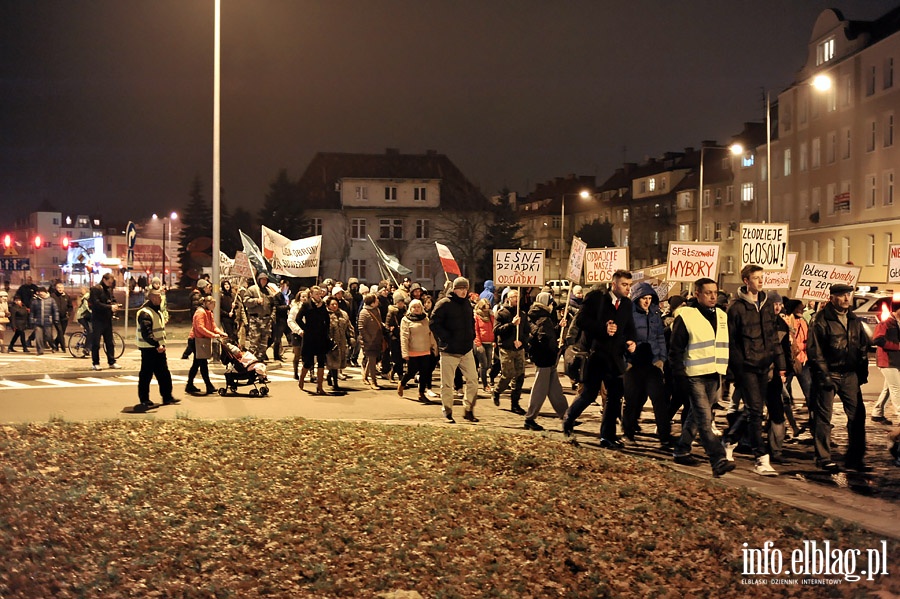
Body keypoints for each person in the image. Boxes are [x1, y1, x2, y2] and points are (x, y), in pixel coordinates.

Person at [562, 270, 637, 447]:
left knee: (614, 396)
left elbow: (629, 327)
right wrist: (603, 328)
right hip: (595, 356)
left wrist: (631, 341)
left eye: (629, 285)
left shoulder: (626, 304)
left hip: (615, 358)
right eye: (624, 285)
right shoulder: (597, 298)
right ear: (614, 285)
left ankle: (607, 436)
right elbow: (581, 321)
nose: (628, 289)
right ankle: (568, 418)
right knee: (589, 393)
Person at [669, 278, 735, 478]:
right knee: (705, 419)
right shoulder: (687, 316)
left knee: (696, 417)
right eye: (708, 293)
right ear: (697, 294)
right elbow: (675, 349)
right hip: (694, 375)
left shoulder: (722, 316)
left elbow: (724, 345)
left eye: (715, 292)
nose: (713, 296)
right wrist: (679, 374)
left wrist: (729, 371)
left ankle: (681, 449)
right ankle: (718, 460)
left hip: (714, 374)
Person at [725, 265, 786, 476]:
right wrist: (736, 369)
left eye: (762, 277)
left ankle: (729, 439)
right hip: (746, 367)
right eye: (756, 278)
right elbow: (731, 342)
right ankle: (761, 458)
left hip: (764, 365)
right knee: (756, 412)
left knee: (754, 409)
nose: (761, 282)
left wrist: (781, 365)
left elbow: (771, 336)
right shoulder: (736, 307)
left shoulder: (767, 304)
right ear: (746, 281)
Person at [806, 283, 870, 472]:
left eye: (847, 295)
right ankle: (823, 458)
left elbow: (862, 346)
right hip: (829, 373)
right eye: (841, 295)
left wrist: (862, 371)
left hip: (849, 374)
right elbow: (815, 351)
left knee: (858, 416)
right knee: (823, 417)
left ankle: (855, 458)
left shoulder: (854, 319)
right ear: (832, 297)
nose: (846, 299)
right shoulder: (821, 320)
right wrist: (824, 376)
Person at [623, 281, 671, 448]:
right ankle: (627, 433)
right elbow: (623, 338)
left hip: (652, 363)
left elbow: (660, 338)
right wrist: (626, 361)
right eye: (644, 298)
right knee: (632, 400)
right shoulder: (628, 314)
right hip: (633, 363)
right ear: (637, 298)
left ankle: (665, 436)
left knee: (659, 399)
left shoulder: (655, 314)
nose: (647, 302)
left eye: (650, 298)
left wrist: (661, 359)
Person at [430, 276, 480, 423]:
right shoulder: (444, 304)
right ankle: (447, 411)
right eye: (461, 288)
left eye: (466, 288)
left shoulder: (467, 304)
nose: (464, 291)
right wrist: (446, 337)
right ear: (454, 289)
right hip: (449, 350)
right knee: (447, 384)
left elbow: (471, 322)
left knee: (473, 381)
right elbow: (433, 322)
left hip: (466, 349)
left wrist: (472, 335)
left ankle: (468, 409)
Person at [523, 292, 569, 431]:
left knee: (555, 391)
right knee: (539, 390)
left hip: (545, 358)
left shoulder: (535, 316)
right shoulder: (544, 318)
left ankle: (567, 416)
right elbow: (544, 338)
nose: (552, 305)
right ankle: (530, 418)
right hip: (545, 358)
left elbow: (543, 334)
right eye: (550, 302)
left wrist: (558, 328)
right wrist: (556, 345)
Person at [134, 288, 178, 411]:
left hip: (158, 348)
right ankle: (144, 400)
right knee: (146, 375)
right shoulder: (145, 313)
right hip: (149, 349)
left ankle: (167, 396)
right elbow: (146, 333)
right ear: (153, 298)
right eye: (159, 297)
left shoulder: (155, 311)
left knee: (163, 373)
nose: (161, 299)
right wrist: (156, 344)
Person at [492, 289, 529, 415]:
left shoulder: (522, 314)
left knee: (519, 376)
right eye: (514, 297)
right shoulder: (502, 313)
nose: (516, 299)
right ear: (508, 298)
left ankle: (515, 403)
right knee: (508, 374)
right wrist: (511, 325)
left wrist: (522, 342)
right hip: (506, 348)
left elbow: (526, 331)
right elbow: (496, 330)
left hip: (519, 349)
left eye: (518, 297)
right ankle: (497, 391)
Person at [185, 295, 227, 395]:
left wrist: (221, 333)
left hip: (201, 340)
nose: (214, 306)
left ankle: (189, 385)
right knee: (202, 363)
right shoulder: (200, 312)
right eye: (213, 304)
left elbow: (213, 326)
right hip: (195, 340)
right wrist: (213, 335)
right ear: (208, 303)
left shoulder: (208, 313)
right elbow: (200, 328)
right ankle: (208, 385)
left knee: (196, 363)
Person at [399, 298, 438, 401]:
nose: (416, 309)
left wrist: (434, 346)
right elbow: (404, 337)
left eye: (418, 307)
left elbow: (431, 334)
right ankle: (402, 383)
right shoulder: (405, 320)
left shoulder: (425, 319)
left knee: (425, 372)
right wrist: (405, 352)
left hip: (425, 350)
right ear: (410, 308)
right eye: (414, 307)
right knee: (411, 372)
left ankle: (421, 393)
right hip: (413, 350)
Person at [296, 285, 333, 395]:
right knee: (308, 362)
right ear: (311, 294)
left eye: (319, 293)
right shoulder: (307, 304)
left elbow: (327, 319)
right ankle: (301, 379)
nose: (318, 295)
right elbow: (298, 318)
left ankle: (320, 386)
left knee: (321, 361)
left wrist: (326, 330)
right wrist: (305, 329)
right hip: (310, 337)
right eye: (316, 293)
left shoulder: (322, 305)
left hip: (321, 336)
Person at [872, 300, 900, 426]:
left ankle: (877, 413)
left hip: (895, 361)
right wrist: (897, 346)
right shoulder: (886, 323)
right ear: (895, 311)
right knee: (896, 388)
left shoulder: (897, 323)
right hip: (887, 361)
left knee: (888, 388)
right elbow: (878, 339)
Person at [88, 273, 122, 371]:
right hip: (97, 319)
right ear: (104, 279)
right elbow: (96, 303)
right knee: (96, 343)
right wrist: (110, 307)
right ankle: (95, 363)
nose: (110, 284)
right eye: (109, 282)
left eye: (111, 283)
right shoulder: (96, 289)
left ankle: (111, 361)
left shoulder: (109, 289)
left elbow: (112, 299)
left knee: (109, 342)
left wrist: (115, 305)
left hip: (107, 319)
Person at [243, 273, 275, 361]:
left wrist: (272, 317)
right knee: (254, 341)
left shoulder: (268, 291)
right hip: (255, 319)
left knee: (264, 342)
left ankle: (260, 359)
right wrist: (256, 301)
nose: (264, 281)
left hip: (266, 320)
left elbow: (273, 305)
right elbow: (245, 301)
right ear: (259, 280)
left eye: (265, 280)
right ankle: (252, 360)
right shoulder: (252, 289)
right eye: (262, 279)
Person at [325, 296, 353, 391]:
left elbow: (349, 327)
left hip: (342, 342)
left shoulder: (343, 314)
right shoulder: (325, 315)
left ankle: (330, 375)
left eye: (336, 304)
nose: (334, 306)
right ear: (328, 305)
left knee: (338, 363)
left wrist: (351, 338)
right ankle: (335, 383)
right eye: (332, 304)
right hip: (330, 343)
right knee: (332, 363)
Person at [357, 292, 385, 389]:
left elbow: (379, 322)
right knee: (372, 360)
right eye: (376, 300)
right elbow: (361, 328)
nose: (378, 301)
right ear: (372, 303)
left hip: (377, 339)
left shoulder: (376, 310)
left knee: (372, 359)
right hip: (368, 342)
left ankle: (365, 376)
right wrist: (368, 339)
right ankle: (374, 381)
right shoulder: (364, 313)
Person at [181, 278, 211, 360]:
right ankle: (190, 354)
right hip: (198, 320)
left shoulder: (200, 295)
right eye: (207, 287)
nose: (209, 288)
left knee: (195, 337)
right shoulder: (197, 296)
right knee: (195, 337)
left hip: (198, 320)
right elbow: (196, 308)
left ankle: (188, 354)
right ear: (203, 287)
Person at [473, 298, 495, 392]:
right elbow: (476, 331)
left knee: (489, 364)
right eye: (484, 308)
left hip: (489, 343)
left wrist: (494, 341)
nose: (486, 310)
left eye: (488, 308)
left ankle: (477, 376)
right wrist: (478, 344)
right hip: (480, 343)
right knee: (484, 364)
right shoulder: (477, 317)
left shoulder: (491, 316)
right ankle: (485, 385)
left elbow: (494, 327)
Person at [386, 291, 407, 382]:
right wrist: (391, 334)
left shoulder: (405, 312)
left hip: (403, 337)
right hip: (395, 338)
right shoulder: (392, 313)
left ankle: (395, 373)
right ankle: (399, 375)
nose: (401, 304)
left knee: (402, 358)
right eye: (399, 302)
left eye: (402, 302)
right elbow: (387, 325)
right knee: (397, 358)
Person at [30, 287, 59, 354]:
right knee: (38, 337)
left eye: (42, 292)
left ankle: (53, 346)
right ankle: (40, 350)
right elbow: (32, 312)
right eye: (39, 292)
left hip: (48, 322)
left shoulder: (51, 300)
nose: (41, 293)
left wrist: (56, 319)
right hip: (38, 322)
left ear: (45, 292)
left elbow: (55, 311)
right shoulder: (35, 301)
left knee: (48, 336)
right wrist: (31, 320)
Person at [271, 278, 292, 361]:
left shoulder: (290, 295)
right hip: (280, 319)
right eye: (282, 286)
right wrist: (288, 307)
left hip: (288, 319)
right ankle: (276, 356)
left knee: (290, 335)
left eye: (285, 286)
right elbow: (277, 307)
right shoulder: (277, 296)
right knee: (277, 339)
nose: (283, 288)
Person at [50, 282, 71, 352]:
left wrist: (69, 313)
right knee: (60, 331)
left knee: (62, 332)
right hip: (56, 317)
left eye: (61, 288)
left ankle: (55, 344)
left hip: (64, 317)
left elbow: (70, 306)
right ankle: (63, 347)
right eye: (58, 288)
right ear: (56, 288)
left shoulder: (66, 296)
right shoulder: (53, 296)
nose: (60, 289)